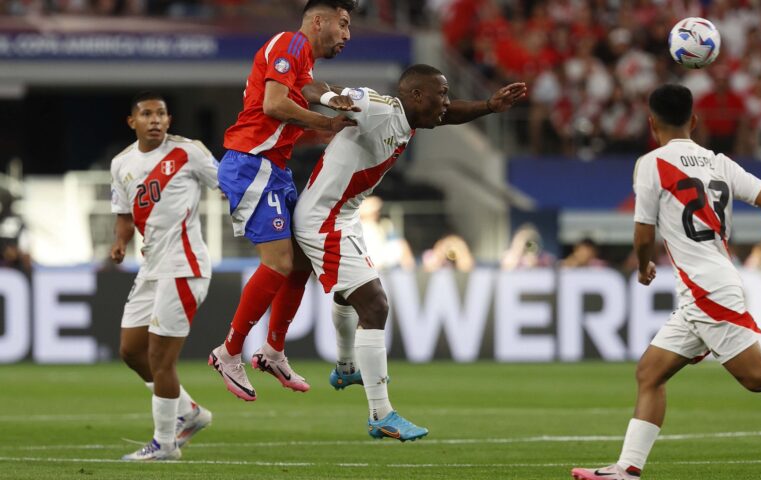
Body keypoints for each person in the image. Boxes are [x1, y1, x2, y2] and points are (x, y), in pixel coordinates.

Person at [571, 84, 761, 480]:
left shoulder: (652, 163)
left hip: (706, 290)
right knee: (650, 373)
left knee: (756, 375)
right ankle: (627, 469)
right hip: (704, 289)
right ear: (694, 120)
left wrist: (644, 266)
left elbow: (643, 232)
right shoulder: (719, 162)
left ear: (652, 123)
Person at [293, 64, 526, 440]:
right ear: (416, 96)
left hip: (344, 215)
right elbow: (311, 88)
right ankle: (380, 414)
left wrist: (488, 105)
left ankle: (347, 366)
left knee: (350, 293)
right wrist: (332, 98)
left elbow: (449, 115)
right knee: (375, 305)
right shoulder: (377, 107)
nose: (447, 102)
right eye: (442, 94)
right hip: (324, 218)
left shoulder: (409, 119)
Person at [208, 0, 359, 401]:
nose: (347, 35)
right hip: (251, 161)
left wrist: (334, 98)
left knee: (300, 262)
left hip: (272, 167)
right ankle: (229, 352)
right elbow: (274, 104)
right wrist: (327, 123)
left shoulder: (302, 58)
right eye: (343, 24)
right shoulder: (290, 42)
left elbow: (310, 87)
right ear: (318, 21)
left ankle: (273, 350)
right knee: (277, 263)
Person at [110, 92, 219, 461]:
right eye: (146, 114)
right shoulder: (121, 163)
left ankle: (165, 444)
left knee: (160, 358)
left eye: (161, 114)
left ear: (169, 120)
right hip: (151, 266)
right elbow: (125, 215)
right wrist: (120, 242)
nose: (154, 119)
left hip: (184, 265)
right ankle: (189, 413)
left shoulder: (189, 152)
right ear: (132, 122)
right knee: (131, 350)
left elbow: (227, 184)